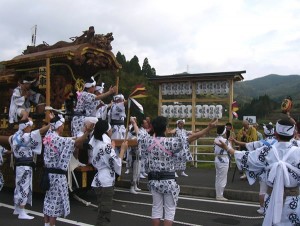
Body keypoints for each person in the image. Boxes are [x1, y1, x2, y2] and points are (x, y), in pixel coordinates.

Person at [130, 116, 218, 226]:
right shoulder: (171, 142)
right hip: (168, 181)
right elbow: (193, 137)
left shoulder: (147, 140)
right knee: (169, 211)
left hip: (153, 181)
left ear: (153, 127)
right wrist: (208, 128)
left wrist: (134, 123)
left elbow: (139, 133)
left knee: (156, 208)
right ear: (165, 128)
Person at [216, 119, 300, 226]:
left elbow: (244, 157)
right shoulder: (298, 151)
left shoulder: (267, 151)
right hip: (293, 200)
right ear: (293, 133)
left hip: (271, 199)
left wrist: (227, 147)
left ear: (276, 134)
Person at [43, 114, 94, 226]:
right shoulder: (58, 139)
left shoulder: (49, 136)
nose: (63, 127)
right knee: (54, 203)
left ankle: (46, 224)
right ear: (59, 126)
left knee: (48, 201)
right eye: (62, 125)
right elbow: (76, 142)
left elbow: (70, 139)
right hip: (57, 176)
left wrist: (52, 118)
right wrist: (87, 132)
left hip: (48, 174)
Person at [232, 122, 277, 214]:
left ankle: (262, 208)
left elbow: (247, 144)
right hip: (276, 170)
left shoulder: (262, 143)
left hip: (264, 171)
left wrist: (235, 142)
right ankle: (274, 207)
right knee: (275, 189)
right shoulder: (278, 142)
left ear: (264, 133)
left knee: (263, 190)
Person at [89, 119, 127, 226]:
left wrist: (112, 148)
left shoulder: (97, 142)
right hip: (106, 181)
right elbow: (116, 164)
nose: (111, 132)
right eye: (110, 130)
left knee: (102, 212)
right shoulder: (105, 146)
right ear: (106, 131)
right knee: (105, 213)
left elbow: (103, 157)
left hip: (99, 179)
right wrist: (123, 150)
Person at [11, 118, 50, 219]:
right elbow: (39, 132)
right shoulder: (25, 136)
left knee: (18, 186)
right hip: (25, 166)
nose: (31, 128)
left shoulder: (16, 135)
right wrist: (50, 124)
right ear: (26, 127)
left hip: (19, 165)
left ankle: (17, 208)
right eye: (30, 126)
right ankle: (22, 211)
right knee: (24, 187)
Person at [214, 125, 232, 201]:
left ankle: (218, 194)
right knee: (223, 178)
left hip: (217, 159)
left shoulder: (215, 139)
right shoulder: (225, 141)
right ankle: (220, 195)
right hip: (224, 159)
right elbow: (230, 150)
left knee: (218, 177)